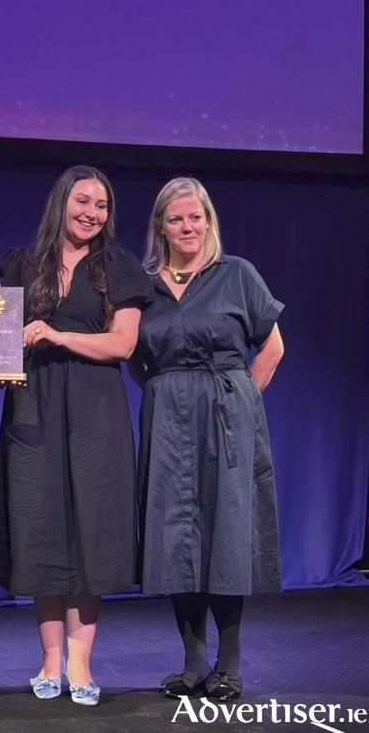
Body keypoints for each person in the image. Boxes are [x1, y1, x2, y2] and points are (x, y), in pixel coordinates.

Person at [0, 165, 153, 706]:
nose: (91, 213)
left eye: (101, 205)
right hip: (32, 407)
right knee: (41, 530)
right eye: (82, 201)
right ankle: (49, 662)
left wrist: (56, 333)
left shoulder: (117, 265)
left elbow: (124, 344)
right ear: (61, 202)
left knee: (91, 533)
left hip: (95, 412)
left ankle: (81, 663)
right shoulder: (20, 263)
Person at [128, 177, 284, 702]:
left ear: (209, 221)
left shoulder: (236, 273)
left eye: (196, 217)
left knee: (226, 534)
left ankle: (230, 663)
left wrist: (241, 398)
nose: (187, 226)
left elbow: (273, 347)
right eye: (175, 218)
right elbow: (132, 353)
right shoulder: (143, 286)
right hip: (168, 418)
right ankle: (193, 662)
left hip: (227, 416)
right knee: (177, 535)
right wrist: (165, 391)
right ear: (160, 226)